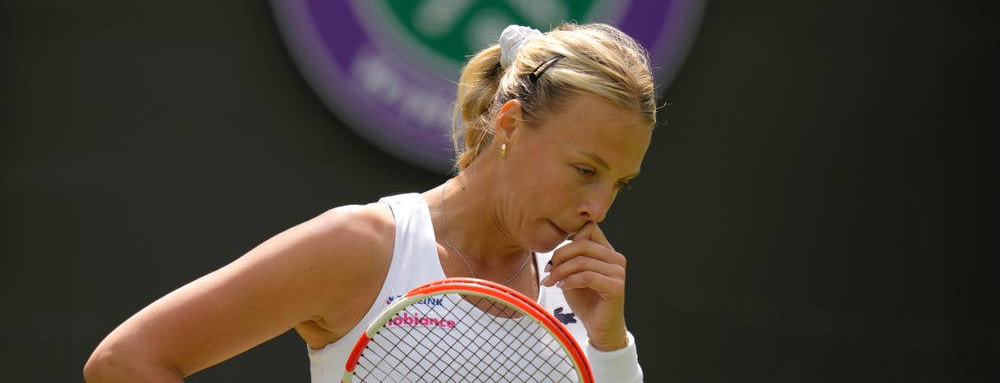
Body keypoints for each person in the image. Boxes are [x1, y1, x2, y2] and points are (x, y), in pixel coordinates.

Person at [83, 22, 656, 382]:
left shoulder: (583, 291)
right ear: (509, 124)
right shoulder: (362, 247)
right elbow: (127, 363)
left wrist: (610, 347)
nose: (598, 207)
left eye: (618, 184)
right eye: (585, 171)